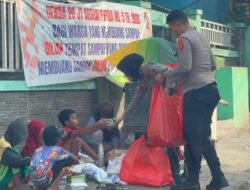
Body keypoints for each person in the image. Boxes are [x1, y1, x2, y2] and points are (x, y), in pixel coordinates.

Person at [155, 10, 229, 190]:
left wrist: (164, 75)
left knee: (193, 138)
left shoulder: (184, 39)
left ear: (177, 24)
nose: (173, 32)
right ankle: (218, 178)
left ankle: (192, 181)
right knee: (202, 138)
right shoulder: (201, 38)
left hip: (196, 94)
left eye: (173, 28)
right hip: (210, 90)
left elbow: (185, 67)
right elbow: (212, 65)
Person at [115, 53, 183, 183]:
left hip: (170, 107)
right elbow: (137, 98)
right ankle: (172, 173)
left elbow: (170, 73)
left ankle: (178, 174)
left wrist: (167, 88)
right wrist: (122, 117)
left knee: (171, 141)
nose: (126, 76)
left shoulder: (148, 69)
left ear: (131, 70)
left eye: (126, 73)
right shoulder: (142, 78)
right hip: (160, 110)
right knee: (166, 140)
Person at [30, 125, 79, 190]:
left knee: (48, 164)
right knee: (69, 160)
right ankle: (53, 186)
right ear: (59, 140)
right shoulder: (58, 150)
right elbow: (76, 159)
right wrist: (75, 168)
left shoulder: (38, 149)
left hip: (34, 181)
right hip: (45, 182)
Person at [0, 119, 30, 190]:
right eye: (18, 140)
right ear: (14, 136)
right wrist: (33, 159)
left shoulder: (6, 143)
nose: (18, 143)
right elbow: (18, 161)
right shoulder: (3, 145)